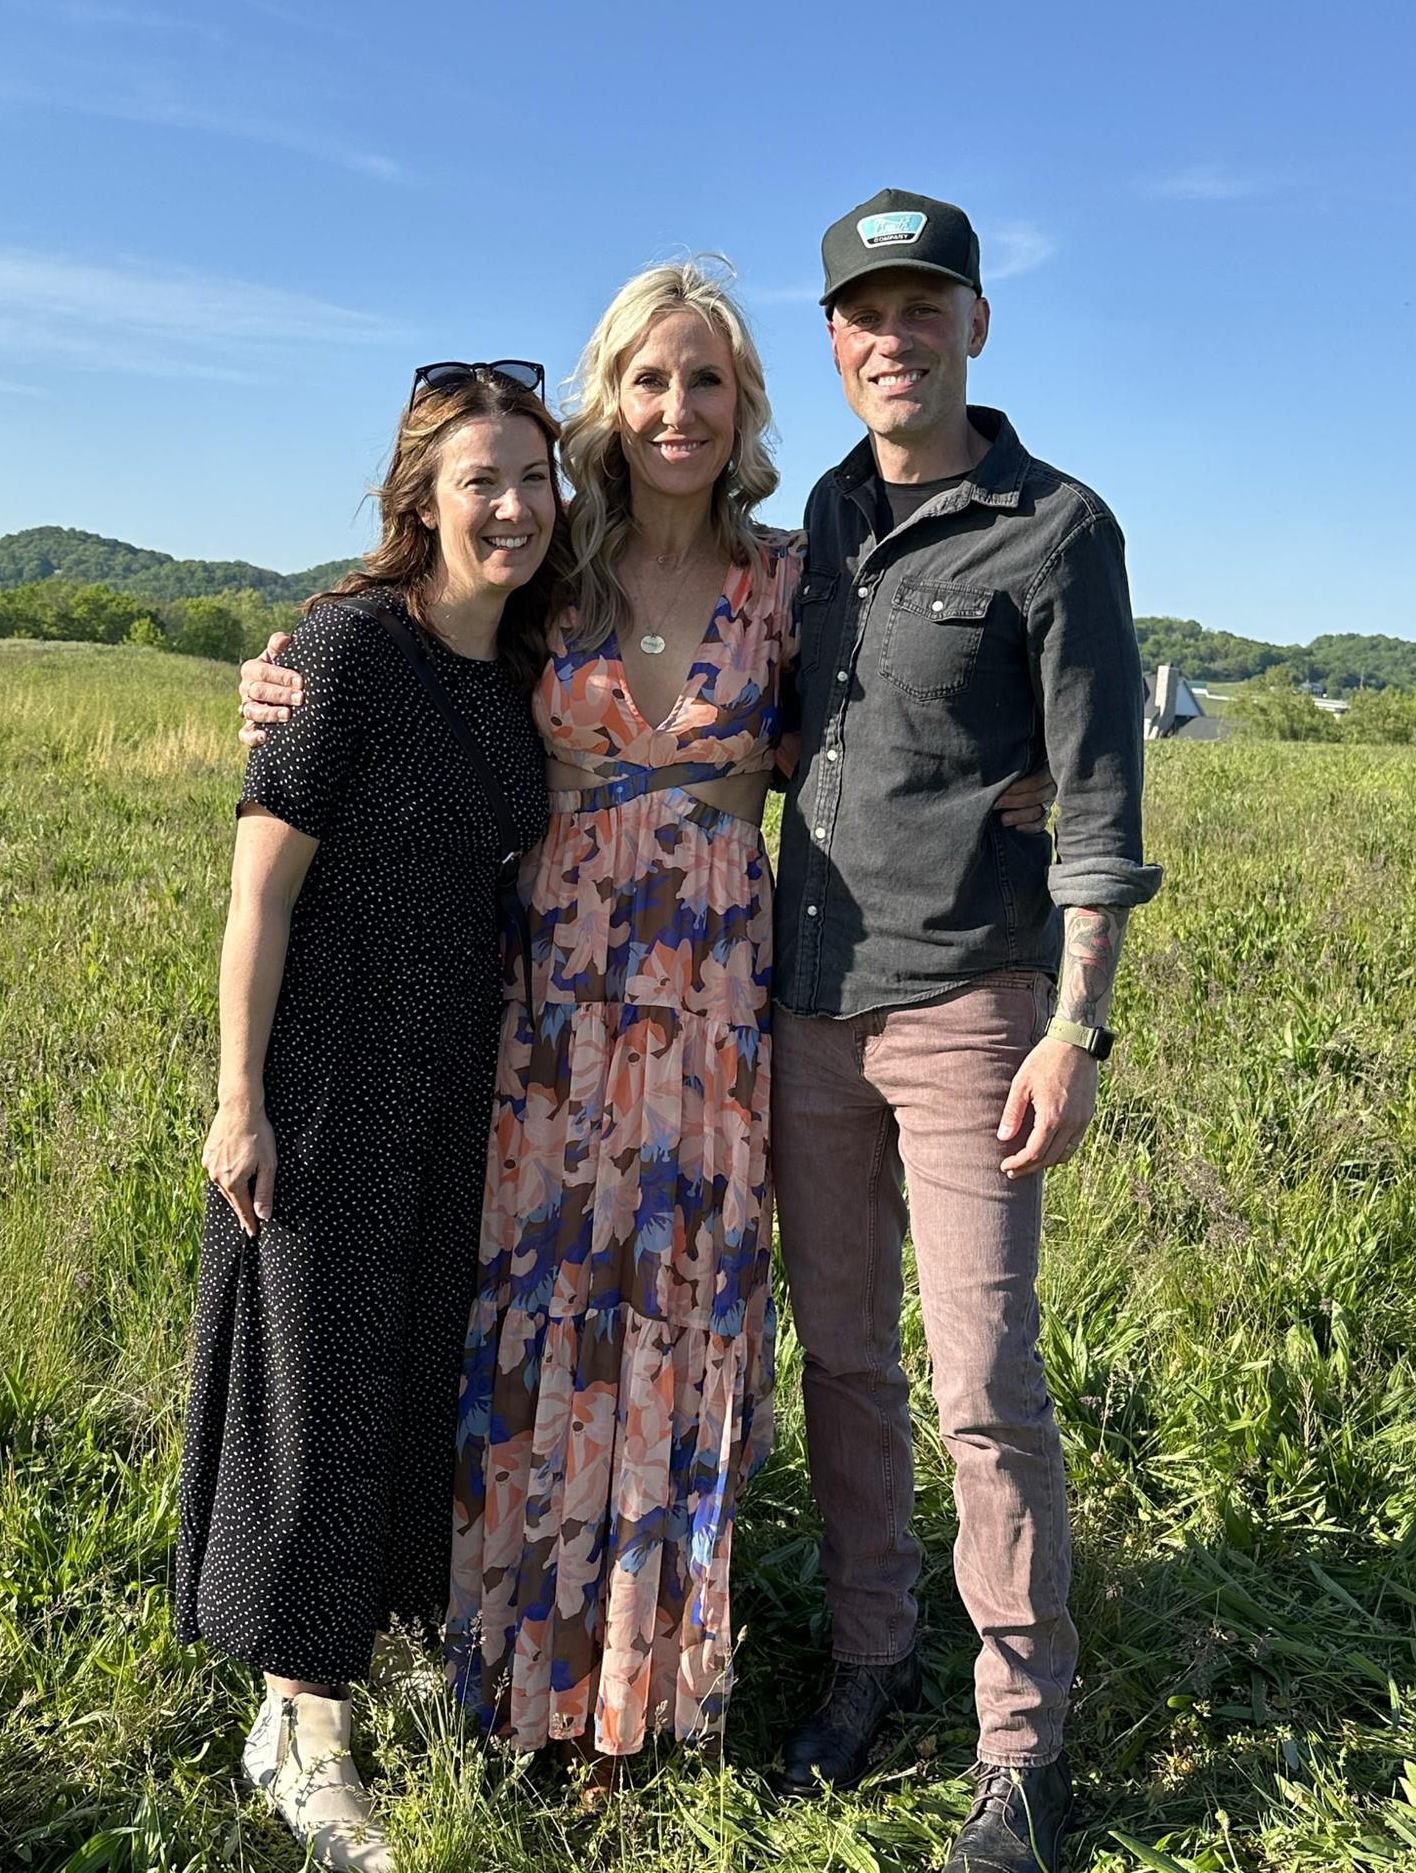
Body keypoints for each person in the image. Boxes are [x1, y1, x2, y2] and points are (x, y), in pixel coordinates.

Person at [237, 264, 1055, 1786]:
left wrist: (1030, 769)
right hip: (546, 992)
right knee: (540, 1302)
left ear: (746, 405)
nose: (678, 410)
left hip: (719, 994)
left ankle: (642, 1690)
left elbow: (910, 704)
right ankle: (513, 1668)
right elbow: (411, 627)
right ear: (608, 403)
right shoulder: (554, 571)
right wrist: (282, 674)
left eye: (708, 381)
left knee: (685, 1320)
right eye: (650, 381)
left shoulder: (795, 576)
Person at [768, 190, 1161, 1873]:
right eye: (866, 313)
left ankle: (1022, 1742)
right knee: (843, 1362)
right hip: (804, 1012)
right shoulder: (815, 522)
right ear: (833, 342)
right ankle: (872, 1653)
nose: (896, 337)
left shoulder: (1057, 531)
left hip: (972, 1009)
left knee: (984, 1380)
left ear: (978, 326)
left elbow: (1100, 801)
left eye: (925, 307)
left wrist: (1078, 1025)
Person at [177, 362, 567, 1872]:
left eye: (532, 478)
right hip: (333, 1074)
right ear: (422, 498)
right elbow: (258, 896)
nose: (512, 506)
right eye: (481, 480)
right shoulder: (346, 651)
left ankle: (351, 1649)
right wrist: (240, 1099)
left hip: (458, 1075)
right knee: (320, 1382)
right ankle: (298, 1723)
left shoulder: (516, 664)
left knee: (410, 1377)